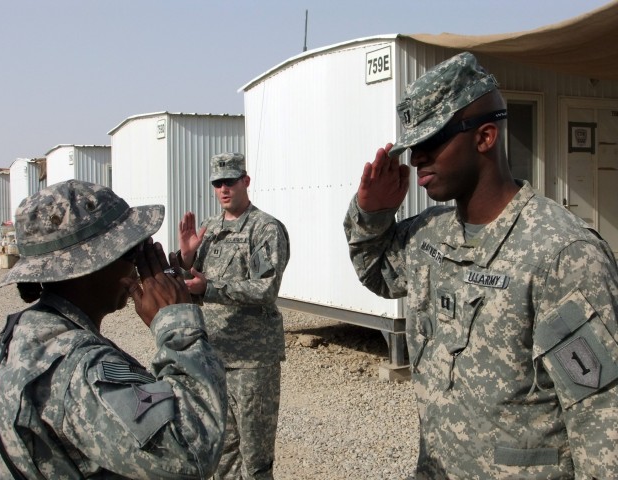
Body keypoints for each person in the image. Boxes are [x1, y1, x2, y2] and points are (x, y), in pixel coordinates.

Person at [344, 51, 618, 479]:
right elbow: (376, 271)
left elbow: (602, 418)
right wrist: (372, 214)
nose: (416, 159)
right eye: (413, 147)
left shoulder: (561, 253)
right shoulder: (430, 236)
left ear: (485, 137)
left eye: (431, 143)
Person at [0, 180, 228, 479]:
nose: (140, 266)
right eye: (130, 251)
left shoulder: (22, 334)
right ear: (90, 266)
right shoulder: (80, 368)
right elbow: (193, 451)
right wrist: (177, 324)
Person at [177, 152, 290, 479]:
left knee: (254, 458)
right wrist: (185, 259)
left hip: (252, 361)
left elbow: (265, 289)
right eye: (218, 183)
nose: (224, 188)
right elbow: (189, 282)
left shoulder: (264, 228)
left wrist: (209, 287)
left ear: (246, 181)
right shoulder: (209, 229)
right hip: (214, 357)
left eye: (230, 181)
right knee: (221, 452)